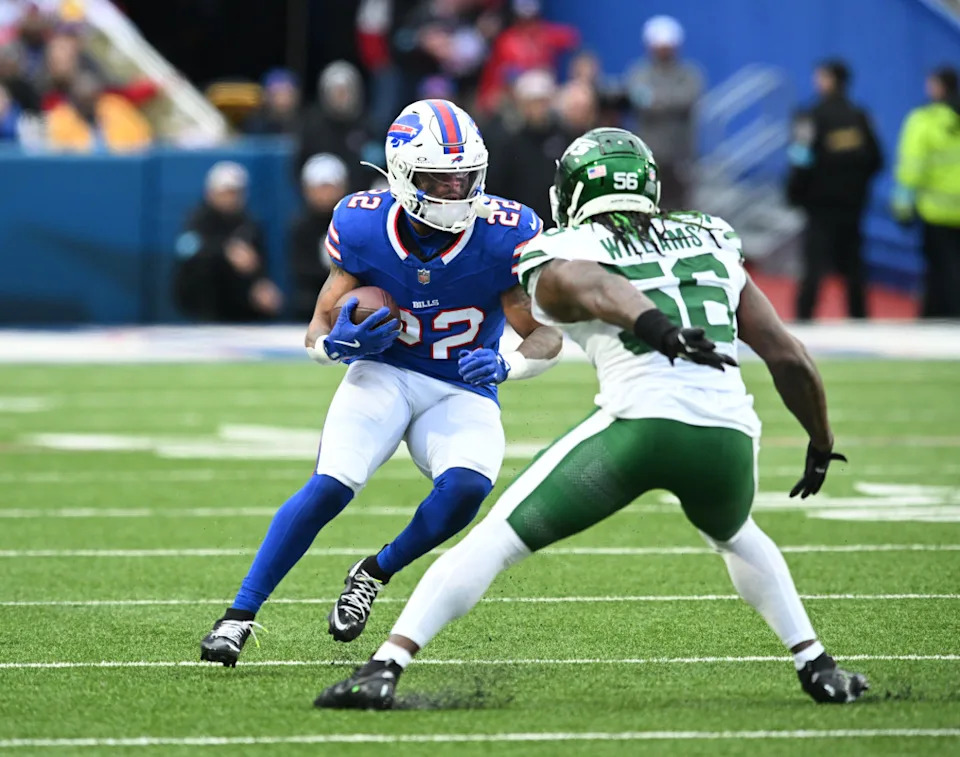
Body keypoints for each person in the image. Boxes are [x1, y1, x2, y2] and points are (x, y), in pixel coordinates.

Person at [314, 127, 868, 710]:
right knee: (735, 535)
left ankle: (384, 666)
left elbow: (593, 282)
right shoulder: (710, 237)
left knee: (494, 542)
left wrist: (654, 328)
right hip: (728, 440)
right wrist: (820, 437)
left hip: (637, 430)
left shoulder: (558, 246)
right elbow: (788, 355)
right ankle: (817, 665)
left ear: (570, 191)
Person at [199, 98, 568, 666]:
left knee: (467, 489)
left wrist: (508, 364)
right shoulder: (362, 222)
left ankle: (375, 570)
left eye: (465, 177)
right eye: (439, 180)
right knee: (330, 485)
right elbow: (317, 330)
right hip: (386, 371)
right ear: (402, 174)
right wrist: (336, 347)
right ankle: (239, 616)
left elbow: (546, 337)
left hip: (461, 385)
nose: (456, 191)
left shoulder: (505, 232)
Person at [786, 60, 882, 321]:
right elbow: (876, 159)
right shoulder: (860, 116)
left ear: (828, 80)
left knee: (814, 265)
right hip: (852, 205)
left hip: (820, 206)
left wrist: (794, 192)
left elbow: (800, 158)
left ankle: (804, 319)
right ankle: (859, 318)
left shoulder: (811, 116)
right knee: (854, 266)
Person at [173, 161, 283, 322]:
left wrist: (260, 285)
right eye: (226, 192)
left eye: (236, 192)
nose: (231, 198)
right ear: (211, 192)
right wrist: (225, 252)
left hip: (239, 303)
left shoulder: (249, 224)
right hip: (202, 301)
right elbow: (186, 251)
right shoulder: (196, 220)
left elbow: (258, 265)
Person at [891, 66, 960, 318]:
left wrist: (902, 205)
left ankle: (941, 318)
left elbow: (912, 167)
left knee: (941, 271)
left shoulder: (925, 120)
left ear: (938, 86)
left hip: (936, 210)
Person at [625, 15, 702, 210]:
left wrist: (657, 100)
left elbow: (687, 99)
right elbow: (637, 99)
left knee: (681, 208)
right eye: (659, 47)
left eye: (667, 47)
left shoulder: (689, 74)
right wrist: (664, 101)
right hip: (649, 156)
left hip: (680, 155)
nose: (663, 51)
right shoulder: (639, 73)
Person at [484, 69, 568, 224]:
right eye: (532, 102)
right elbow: (497, 187)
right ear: (521, 104)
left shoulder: (564, 137)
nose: (537, 108)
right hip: (520, 225)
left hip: (556, 223)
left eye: (542, 102)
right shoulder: (508, 143)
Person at [295, 60, 378, 191]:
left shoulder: (368, 126)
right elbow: (300, 167)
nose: (340, 97)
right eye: (335, 91)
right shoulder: (312, 127)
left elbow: (376, 165)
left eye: (344, 91)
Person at [288, 153, 348, 321]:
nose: (325, 194)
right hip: (312, 301)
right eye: (319, 188)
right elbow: (301, 270)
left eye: (329, 187)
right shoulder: (301, 227)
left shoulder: (351, 223)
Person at [46, 71, 152, 152]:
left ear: (98, 97)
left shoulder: (115, 107)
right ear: (73, 99)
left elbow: (143, 140)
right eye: (82, 100)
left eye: (91, 99)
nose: (87, 104)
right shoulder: (60, 119)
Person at [242, 68, 300, 136]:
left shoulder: (305, 125)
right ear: (265, 96)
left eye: (287, 93)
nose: (282, 99)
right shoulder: (254, 125)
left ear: (296, 96)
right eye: (276, 94)